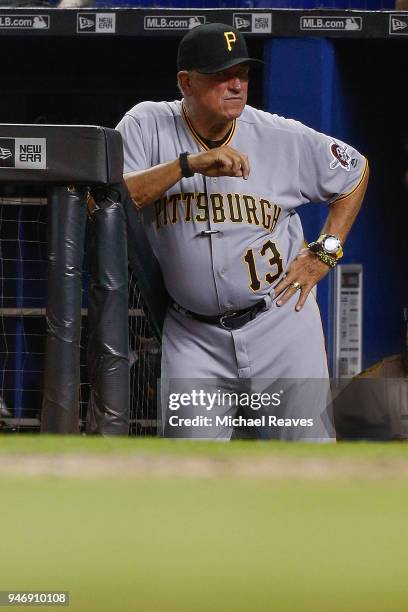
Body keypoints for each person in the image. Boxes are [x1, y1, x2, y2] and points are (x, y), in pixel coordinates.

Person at [116, 22, 369, 441]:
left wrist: (325, 251)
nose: (236, 84)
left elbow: (355, 171)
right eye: (221, 74)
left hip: (281, 323)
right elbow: (108, 199)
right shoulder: (146, 125)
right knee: (191, 475)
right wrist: (186, 165)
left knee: (308, 464)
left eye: (244, 73)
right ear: (186, 82)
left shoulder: (277, 135)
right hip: (193, 336)